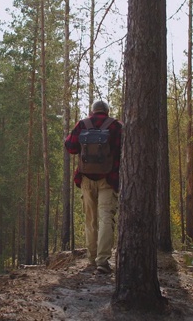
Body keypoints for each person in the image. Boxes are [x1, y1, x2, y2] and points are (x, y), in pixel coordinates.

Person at [64, 100, 122, 274]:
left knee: (90, 220)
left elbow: (70, 146)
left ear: (92, 111)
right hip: (107, 179)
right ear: (107, 111)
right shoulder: (116, 126)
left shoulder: (83, 124)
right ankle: (102, 261)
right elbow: (123, 150)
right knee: (106, 219)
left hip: (86, 179)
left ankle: (91, 258)